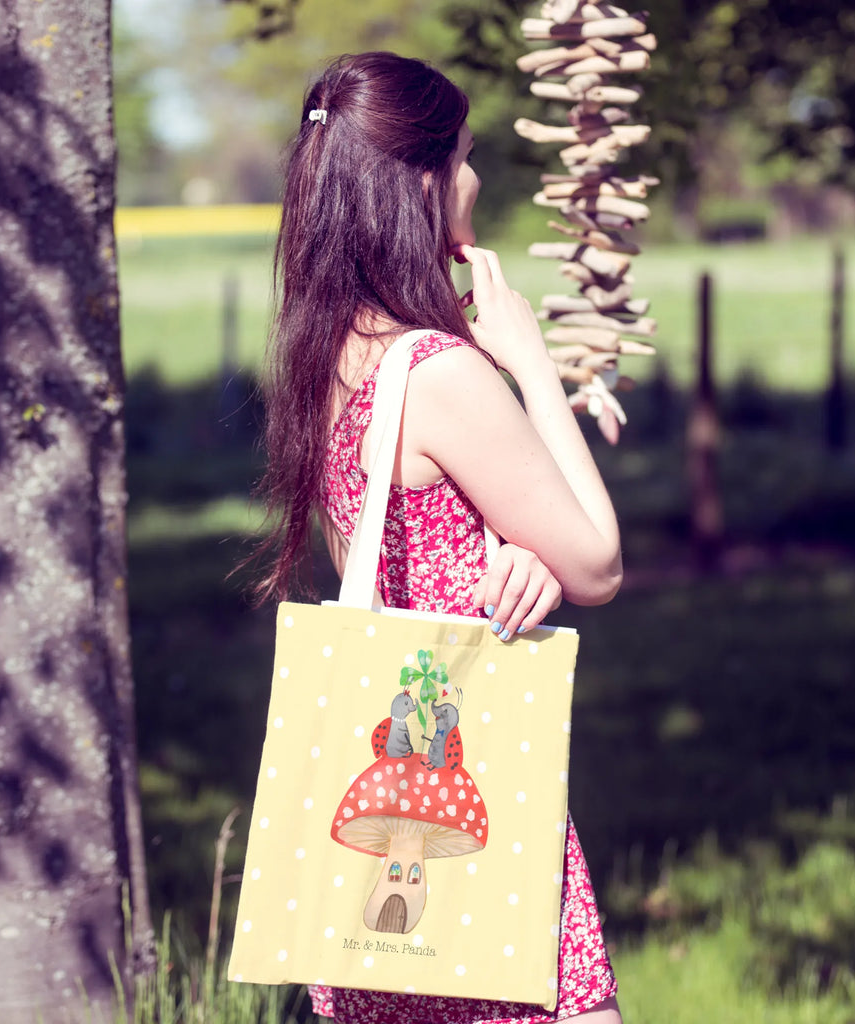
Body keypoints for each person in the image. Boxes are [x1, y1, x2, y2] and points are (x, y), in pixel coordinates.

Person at [254, 51, 624, 1024]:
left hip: (376, 848)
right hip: (477, 796)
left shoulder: (328, 358)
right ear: (420, 181)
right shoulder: (441, 372)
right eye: (462, 156)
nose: (473, 178)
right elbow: (598, 560)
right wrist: (531, 362)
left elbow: (385, 560)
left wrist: (508, 556)